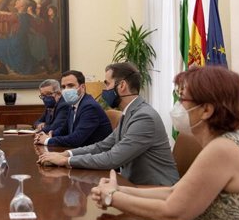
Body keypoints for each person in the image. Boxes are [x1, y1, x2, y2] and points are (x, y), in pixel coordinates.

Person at [90, 66, 239, 220]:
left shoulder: (222, 150)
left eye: (183, 99)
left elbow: (172, 212)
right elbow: (175, 193)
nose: (178, 107)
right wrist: (120, 189)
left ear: (206, 110)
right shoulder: (235, 140)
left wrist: (112, 197)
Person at [37, 63, 179, 186]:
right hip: (132, 183)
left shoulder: (143, 117)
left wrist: (66, 161)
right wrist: (65, 153)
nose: (105, 89)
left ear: (122, 85)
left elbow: (112, 158)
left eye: (107, 83)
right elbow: (103, 145)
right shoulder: (130, 112)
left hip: (156, 189)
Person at [34, 70, 112, 147]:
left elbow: (76, 139)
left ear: (82, 87)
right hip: (80, 151)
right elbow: (64, 129)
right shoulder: (73, 105)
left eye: (70, 85)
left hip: (94, 154)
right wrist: (50, 134)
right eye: (64, 87)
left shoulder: (89, 106)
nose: (66, 90)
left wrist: (47, 140)